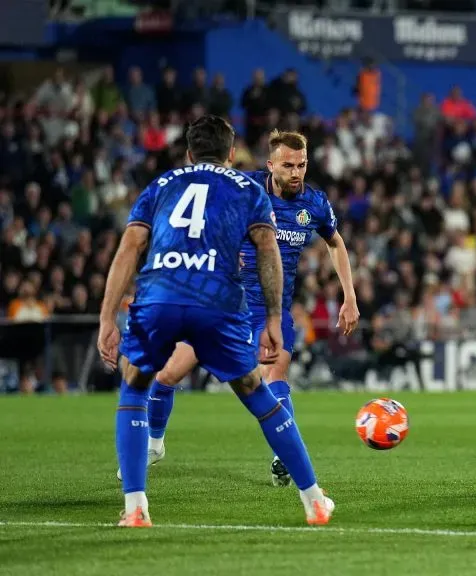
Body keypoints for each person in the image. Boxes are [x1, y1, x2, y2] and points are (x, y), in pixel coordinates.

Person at [97, 116, 333, 527]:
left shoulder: (162, 185)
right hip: (217, 302)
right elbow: (267, 251)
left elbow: (130, 247)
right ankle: (313, 499)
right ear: (230, 153)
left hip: (160, 297)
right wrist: (275, 318)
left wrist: (107, 318)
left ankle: (135, 508)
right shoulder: (247, 188)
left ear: (189, 153)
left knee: (136, 385)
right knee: (258, 393)